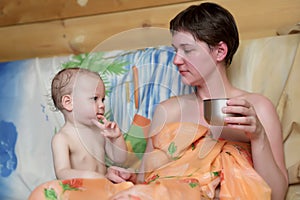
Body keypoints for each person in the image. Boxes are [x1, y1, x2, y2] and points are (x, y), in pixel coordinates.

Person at [109, 2, 288, 200]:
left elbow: (277, 194)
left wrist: (258, 136)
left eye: (187, 50)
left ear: (220, 51)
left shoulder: (256, 108)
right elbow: (146, 180)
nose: (176, 59)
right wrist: (128, 178)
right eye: (175, 50)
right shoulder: (169, 110)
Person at [50, 67, 127, 179]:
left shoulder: (100, 131)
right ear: (68, 102)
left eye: (103, 99)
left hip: (103, 187)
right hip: (81, 191)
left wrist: (116, 138)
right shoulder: (62, 138)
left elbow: (119, 159)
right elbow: (62, 173)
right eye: (95, 98)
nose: (102, 105)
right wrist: (94, 177)